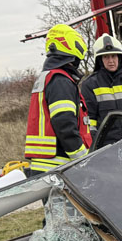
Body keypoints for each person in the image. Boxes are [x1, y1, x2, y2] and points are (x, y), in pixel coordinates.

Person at [24, 24, 91, 175]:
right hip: (58, 166)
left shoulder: (49, 77)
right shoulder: (60, 80)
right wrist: (82, 159)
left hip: (47, 164)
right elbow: (64, 124)